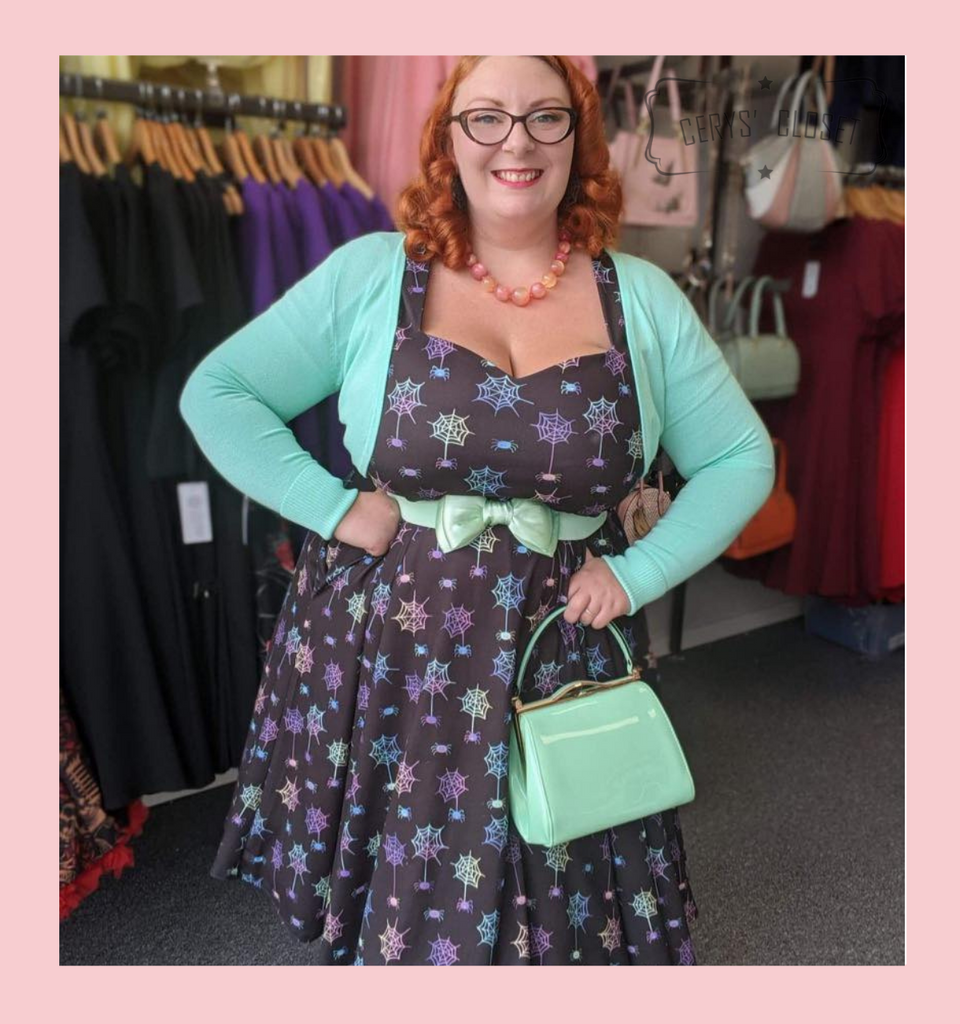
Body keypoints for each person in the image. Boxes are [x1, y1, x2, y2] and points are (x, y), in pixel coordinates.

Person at [179, 55, 775, 965]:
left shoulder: (644, 300)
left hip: (560, 650)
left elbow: (739, 457)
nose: (516, 142)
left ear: (578, 139)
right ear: (448, 139)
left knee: (567, 895)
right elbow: (217, 393)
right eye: (486, 117)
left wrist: (638, 570)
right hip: (393, 654)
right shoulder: (372, 275)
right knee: (403, 908)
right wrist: (334, 507)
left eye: (545, 117)